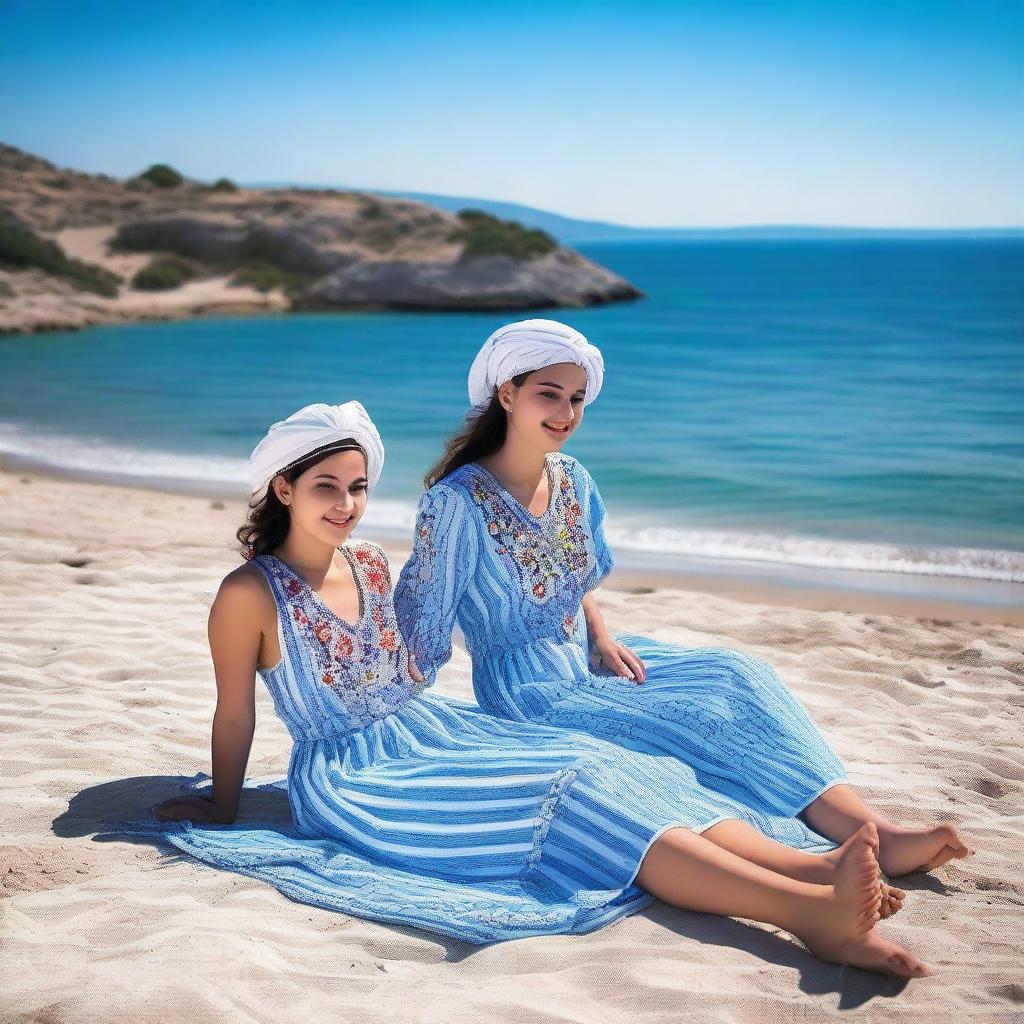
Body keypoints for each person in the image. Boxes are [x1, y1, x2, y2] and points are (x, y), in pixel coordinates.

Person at [139, 400, 929, 974]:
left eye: (355, 488)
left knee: (611, 765)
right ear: (284, 490)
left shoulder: (371, 563)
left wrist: (571, 613)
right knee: (574, 792)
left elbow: (426, 641)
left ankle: (815, 872)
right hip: (358, 775)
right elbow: (235, 712)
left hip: (432, 729)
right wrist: (223, 805)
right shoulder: (249, 594)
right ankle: (808, 915)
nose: (346, 506)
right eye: (325, 488)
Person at [393, 319, 972, 890]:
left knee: (737, 675)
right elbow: (423, 619)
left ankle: (873, 830)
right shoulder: (456, 503)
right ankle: (832, 851)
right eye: (549, 394)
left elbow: (578, 578)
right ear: (507, 393)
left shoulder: (571, 477)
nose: (566, 414)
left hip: (590, 659)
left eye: (576, 399)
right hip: (531, 691)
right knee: (687, 722)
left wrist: (599, 633)